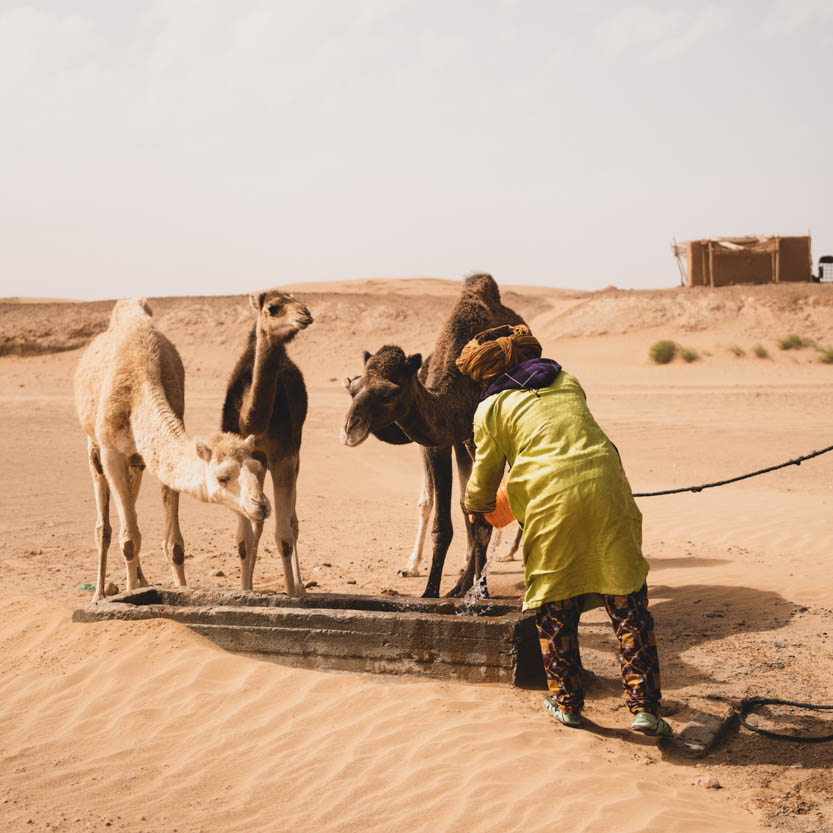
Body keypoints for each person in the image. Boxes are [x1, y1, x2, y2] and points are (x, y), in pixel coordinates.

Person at [456, 324, 672, 737]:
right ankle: (644, 708)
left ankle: (567, 703)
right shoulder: (568, 381)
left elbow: (483, 480)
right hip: (607, 488)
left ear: (485, 374)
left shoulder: (490, 410)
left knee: (556, 609)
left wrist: (477, 509)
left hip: (549, 502)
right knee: (629, 605)